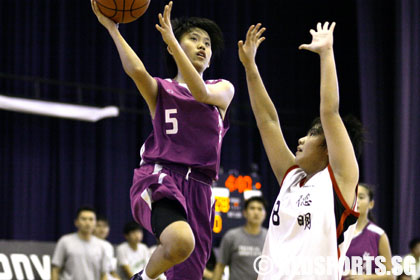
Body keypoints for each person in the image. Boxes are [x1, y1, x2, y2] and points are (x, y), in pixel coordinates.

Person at [91, 1, 234, 279]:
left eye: (207, 43)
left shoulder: (222, 88)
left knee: (187, 270)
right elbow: (137, 72)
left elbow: (200, 93)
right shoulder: (162, 89)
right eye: (193, 39)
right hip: (162, 176)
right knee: (181, 240)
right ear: (173, 47)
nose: (203, 46)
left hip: (202, 190)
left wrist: (175, 41)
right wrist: (113, 29)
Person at [238, 22, 364, 279]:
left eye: (313, 134)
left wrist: (327, 53)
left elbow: (329, 113)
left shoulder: (338, 180)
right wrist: (250, 67)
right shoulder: (292, 178)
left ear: (330, 147)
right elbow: (267, 122)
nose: (301, 139)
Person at [343, 183, 394, 279]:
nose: (356, 200)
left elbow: (390, 275)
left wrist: (364, 277)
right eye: (352, 196)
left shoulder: (378, 234)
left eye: (361, 197)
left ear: (371, 204)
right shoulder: (336, 231)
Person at [212, 196, 268, 280]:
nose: (256, 212)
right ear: (245, 213)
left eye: (260, 209)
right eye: (252, 208)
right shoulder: (231, 236)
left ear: (265, 214)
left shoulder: (270, 238)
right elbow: (220, 266)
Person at [51, 206, 109, 280]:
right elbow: (56, 269)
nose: (87, 223)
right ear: (76, 222)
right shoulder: (65, 241)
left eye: (91, 219)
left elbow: (103, 274)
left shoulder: (102, 246)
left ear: (95, 223)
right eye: (84, 219)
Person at [94, 215, 121, 280]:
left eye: (105, 226)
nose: (102, 229)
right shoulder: (89, 244)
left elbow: (112, 271)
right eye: (98, 226)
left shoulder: (108, 246)